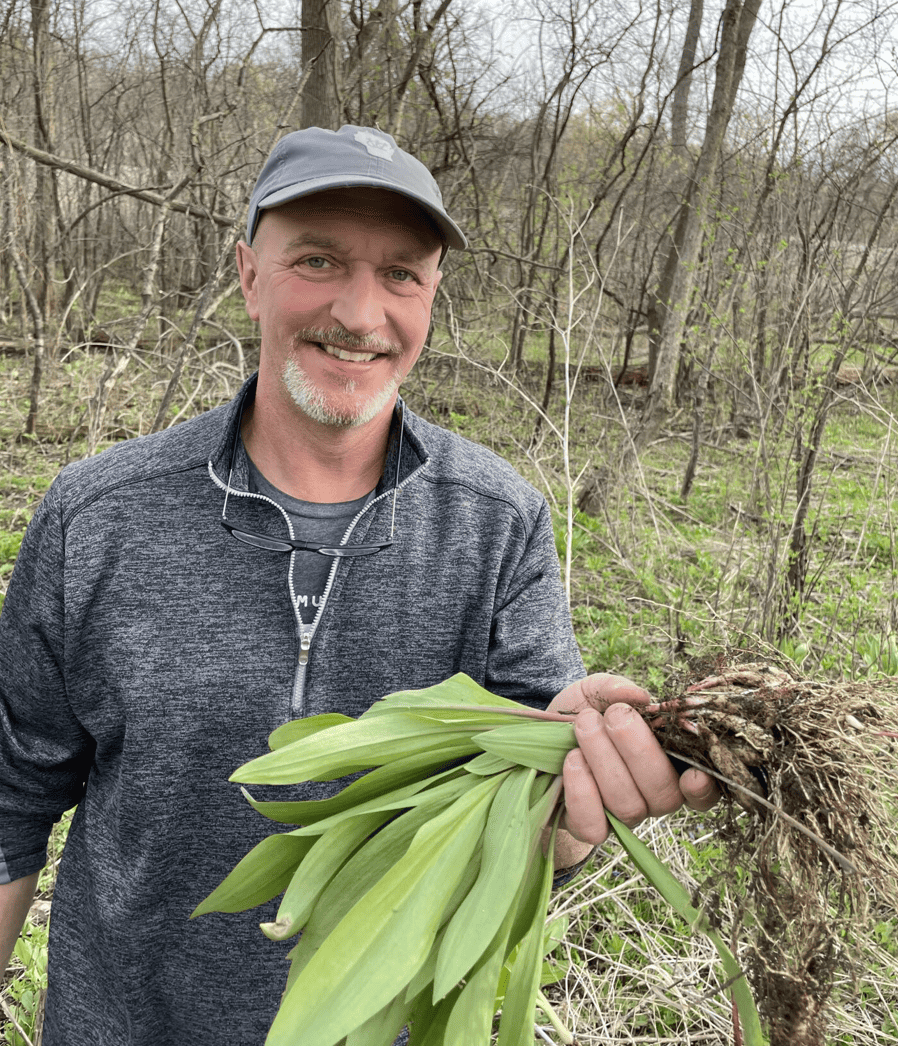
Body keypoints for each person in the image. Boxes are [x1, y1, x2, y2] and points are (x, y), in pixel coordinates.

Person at [0, 125, 716, 1045]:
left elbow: (538, 828)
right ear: (248, 273)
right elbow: (13, 797)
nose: (361, 312)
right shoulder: (98, 514)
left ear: (433, 297)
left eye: (402, 274)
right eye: (319, 259)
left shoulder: (498, 523)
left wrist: (574, 803)